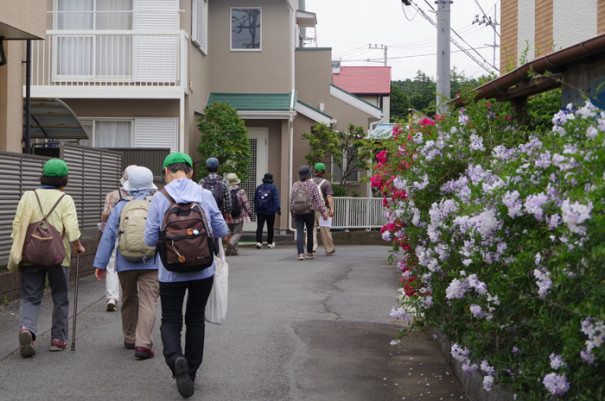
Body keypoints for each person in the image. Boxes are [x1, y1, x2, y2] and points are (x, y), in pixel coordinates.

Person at [144, 152, 228, 398]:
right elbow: (221, 230)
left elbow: (149, 239)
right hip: (203, 269)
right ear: (191, 172)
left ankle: (175, 358)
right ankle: (190, 372)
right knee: (195, 319)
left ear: (167, 172)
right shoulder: (204, 195)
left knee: (170, 320)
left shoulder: (160, 198)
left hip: (170, 271)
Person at [12, 158, 86, 358]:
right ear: (65, 180)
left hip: (30, 254)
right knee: (60, 297)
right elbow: (71, 229)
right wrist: (78, 246)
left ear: (42, 176)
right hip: (57, 256)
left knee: (30, 296)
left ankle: (27, 329)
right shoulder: (65, 199)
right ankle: (58, 339)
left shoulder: (28, 196)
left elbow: (18, 226)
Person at [93, 166, 159, 359]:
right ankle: (143, 343)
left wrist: (101, 264)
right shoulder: (157, 203)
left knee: (129, 298)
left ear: (129, 185)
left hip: (125, 260)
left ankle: (130, 338)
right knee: (149, 301)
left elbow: (108, 236)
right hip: (152, 261)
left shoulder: (121, 205)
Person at [99, 165, 138, 312]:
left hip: (117, 233)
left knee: (112, 265)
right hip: (137, 234)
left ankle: (112, 298)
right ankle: (135, 296)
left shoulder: (113, 195)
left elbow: (105, 215)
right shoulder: (146, 195)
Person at [289, 165, 328, 261]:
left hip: (298, 212)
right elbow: (318, 200)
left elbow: (291, 201)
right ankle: (309, 253)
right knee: (310, 232)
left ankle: (300, 254)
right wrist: (323, 213)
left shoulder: (295, 185)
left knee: (300, 232)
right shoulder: (312, 185)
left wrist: (292, 213)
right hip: (309, 212)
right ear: (308, 175)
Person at [312, 163, 336, 255]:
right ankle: (329, 249)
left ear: (314, 171)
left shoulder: (309, 182)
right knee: (325, 230)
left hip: (310, 209)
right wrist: (332, 208)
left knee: (311, 229)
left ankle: (312, 249)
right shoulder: (326, 183)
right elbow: (329, 196)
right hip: (322, 209)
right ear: (324, 172)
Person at [199, 157, 232, 224]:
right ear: (218, 168)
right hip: (219, 212)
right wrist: (228, 212)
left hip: (206, 213)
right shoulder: (223, 181)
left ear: (207, 168)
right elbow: (228, 199)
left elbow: (198, 198)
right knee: (220, 232)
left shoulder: (202, 182)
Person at [225, 173, 251, 256]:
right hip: (239, 216)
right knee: (238, 232)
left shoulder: (226, 191)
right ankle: (231, 244)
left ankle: (234, 250)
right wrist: (249, 212)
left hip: (229, 216)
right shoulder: (241, 191)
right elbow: (246, 203)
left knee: (233, 232)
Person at [254, 173, 281, 249]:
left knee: (259, 226)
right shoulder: (273, 188)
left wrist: (256, 208)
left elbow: (255, 198)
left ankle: (259, 242)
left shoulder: (259, 187)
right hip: (270, 211)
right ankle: (269, 242)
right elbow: (276, 199)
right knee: (270, 227)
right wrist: (278, 209)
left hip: (260, 211)